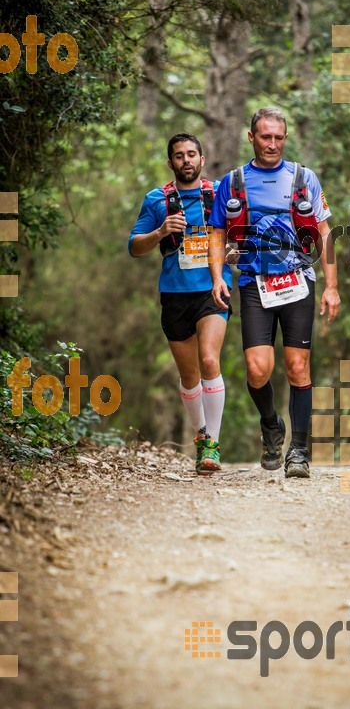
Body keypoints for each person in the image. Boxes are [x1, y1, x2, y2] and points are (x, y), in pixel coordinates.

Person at [208, 107, 340, 478]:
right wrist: (218, 277)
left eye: (278, 137)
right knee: (257, 369)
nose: (272, 144)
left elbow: (325, 232)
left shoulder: (304, 177)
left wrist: (332, 286)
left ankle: (299, 451)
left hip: (297, 279)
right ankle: (271, 424)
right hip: (253, 281)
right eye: (265, 137)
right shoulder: (232, 182)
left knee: (298, 367)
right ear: (251, 137)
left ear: (286, 138)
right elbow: (217, 234)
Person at [129, 133, 233, 475]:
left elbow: (242, 233)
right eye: (179, 155)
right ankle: (199, 434)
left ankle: (212, 445)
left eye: (192, 154)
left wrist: (232, 252)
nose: (186, 160)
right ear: (171, 162)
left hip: (212, 290)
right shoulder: (157, 199)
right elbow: (134, 247)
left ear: (202, 160)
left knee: (208, 359)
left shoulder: (220, 193)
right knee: (189, 376)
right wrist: (160, 232)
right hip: (175, 293)